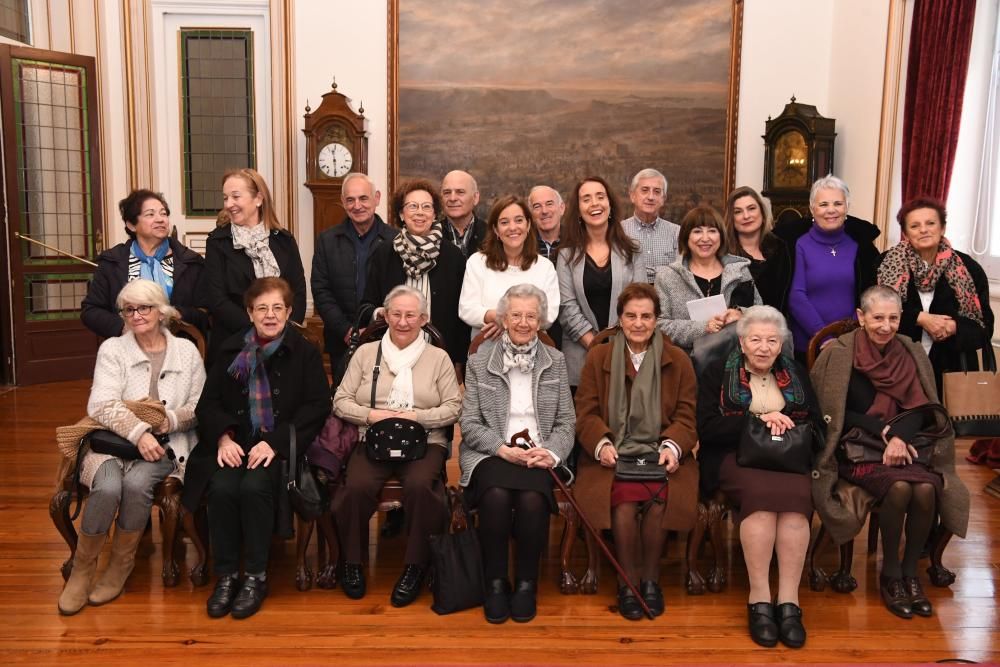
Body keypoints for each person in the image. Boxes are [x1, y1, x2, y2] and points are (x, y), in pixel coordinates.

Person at [811, 286, 969, 620]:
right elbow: (831, 412)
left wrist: (898, 437)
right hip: (856, 448)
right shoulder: (838, 354)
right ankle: (891, 575)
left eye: (893, 318)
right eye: (877, 317)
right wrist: (880, 430)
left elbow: (925, 407)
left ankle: (911, 574)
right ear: (861, 317)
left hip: (908, 442)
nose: (885, 326)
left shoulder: (910, 351)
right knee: (898, 489)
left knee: (926, 489)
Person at [183, 277, 330, 619]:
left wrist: (275, 443)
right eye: (262, 308)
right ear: (249, 313)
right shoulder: (231, 349)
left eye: (278, 307)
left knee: (254, 487)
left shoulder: (304, 351)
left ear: (289, 311)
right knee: (220, 488)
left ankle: (255, 577)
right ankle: (227, 575)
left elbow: (316, 406)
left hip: (280, 444)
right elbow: (209, 405)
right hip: (234, 441)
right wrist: (222, 437)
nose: (270, 315)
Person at [59, 280, 205, 615]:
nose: (137, 315)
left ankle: (119, 566)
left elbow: (200, 406)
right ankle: (83, 570)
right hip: (113, 443)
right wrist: (139, 432)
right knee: (108, 486)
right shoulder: (113, 348)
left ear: (161, 310)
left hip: (167, 445)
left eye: (144, 308)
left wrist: (170, 420)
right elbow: (101, 405)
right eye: (130, 309)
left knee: (137, 484)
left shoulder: (187, 351)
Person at [696, 306, 821, 648]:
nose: (764, 347)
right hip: (734, 457)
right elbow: (705, 428)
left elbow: (813, 420)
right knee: (762, 504)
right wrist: (759, 421)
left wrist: (788, 419)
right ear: (742, 341)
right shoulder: (716, 372)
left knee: (796, 504)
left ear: (781, 344)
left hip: (787, 459)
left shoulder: (795, 372)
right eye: (756, 339)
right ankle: (760, 599)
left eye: (771, 340)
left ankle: (790, 602)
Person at [574, 283, 698, 620]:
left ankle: (651, 582)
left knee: (660, 499)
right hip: (611, 452)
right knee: (624, 500)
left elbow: (687, 416)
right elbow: (585, 413)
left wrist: (673, 446)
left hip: (662, 453)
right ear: (620, 319)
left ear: (657, 319)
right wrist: (600, 443)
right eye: (631, 316)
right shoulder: (599, 356)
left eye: (646, 316)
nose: (639, 323)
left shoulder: (679, 360)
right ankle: (627, 583)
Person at [333, 286, 462, 607]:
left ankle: (415, 566)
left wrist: (415, 416)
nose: (403, 322)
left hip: (426, 441)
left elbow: (454, 408)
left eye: (411, 315)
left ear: (423, 318)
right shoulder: (365, 354)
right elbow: (340, 401)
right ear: (385, 315)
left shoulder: (438, 358)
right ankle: (351, 563)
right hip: (372, 438)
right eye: (397, 314)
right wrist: (372, 415)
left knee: (421, 487)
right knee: (355, 487)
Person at [459, 284, 575, 624]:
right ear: (504, 319)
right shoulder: (480, 362)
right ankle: (495, 583)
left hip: (537, 452)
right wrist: (500, 448)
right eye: (516, 315)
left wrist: (551, 453)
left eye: (530, 316)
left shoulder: (556, 360)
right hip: (492, 452)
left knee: (531, 500)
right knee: (494, 496)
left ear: (540, 321)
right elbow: (468, 423)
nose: (523, 323)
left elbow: (567, 421)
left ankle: (526, 584)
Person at [878, 196, 995, 390]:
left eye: (930, 223)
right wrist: (919, 318)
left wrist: (954, 327)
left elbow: (985, 328)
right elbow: (873, 316)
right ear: (905, 233)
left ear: (942, 228)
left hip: (952, 372)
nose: (923, 230)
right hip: (896, 368)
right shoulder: (884, 265)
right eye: (915, 226)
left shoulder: (969, 268)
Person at [200, 168, 307, 363]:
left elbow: (298, 292)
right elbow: (217, 299)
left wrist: (283, 330)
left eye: (235, 197)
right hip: (235, 343)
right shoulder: (217, 242)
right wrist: (259, 330)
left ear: (258, 199)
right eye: (225, 198)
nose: (229, 204)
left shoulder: (284, 240)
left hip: (284, 342)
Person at [363, 179, 469, 365]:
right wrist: (379, 312)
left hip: (439, 356)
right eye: (412, 206)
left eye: (426, 207)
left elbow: (460, 318)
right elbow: (366, 303)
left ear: (434, 214)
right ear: (401, 214)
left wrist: (458, 361)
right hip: (391, 355)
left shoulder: (453, 256)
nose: (420, 212)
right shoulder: (384, 253)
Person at [774, 175, 880, 357]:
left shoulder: (860, 246)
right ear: (812, 209)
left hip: (852, 342)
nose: (831, 210)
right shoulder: (798, 245)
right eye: (823, 205)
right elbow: (796, 297)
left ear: (847, 207)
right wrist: (824, 336)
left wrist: (847, 334)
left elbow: (868, 295)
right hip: (808, 346)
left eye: (838, 204)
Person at [82, 189, 206, 338]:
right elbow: (91, 310)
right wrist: (124, 328)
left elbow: (205, 312)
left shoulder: (190, 262)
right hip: (126, 349)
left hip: (177, 348)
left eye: (163, 213)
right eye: (150, 214)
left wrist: (178, 314)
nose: (160, 219)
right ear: (131, 225)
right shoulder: (112, 263)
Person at [311, 173, 398, 382]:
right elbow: (321, 290)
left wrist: (373, 329)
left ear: (376, 198)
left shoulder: (396, 240)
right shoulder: (327, 240)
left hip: (387, 338)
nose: (357, 205)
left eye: (363, 198)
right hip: (341, 341)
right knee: (343, 400)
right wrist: (346, 330)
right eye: (350, 200)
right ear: (343, 202)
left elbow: (400, 292)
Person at [556, 176, 636, 387]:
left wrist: (617, 345)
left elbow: (640, 301)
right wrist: (596, 345)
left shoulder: (632, 251)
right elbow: (566, 307)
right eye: (586, 199)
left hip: (627, 353)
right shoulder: (566, 255)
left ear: (610, 204)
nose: (594, 204)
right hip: (580, 357)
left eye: (600, 196)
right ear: (579, 210)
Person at [654, 205, 761, 351]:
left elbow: (761, 313)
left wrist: (740, 314)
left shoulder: (740, 272)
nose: (705, 238)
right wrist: (703, 327)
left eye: (712, 231)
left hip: (735, 361)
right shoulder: (667, 276)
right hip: (685, 363)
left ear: (721, 236)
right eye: (697, 231)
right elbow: (659, 325)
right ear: (686, 237)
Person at [458, 195, 559, 340]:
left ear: (528, 225)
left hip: (534, 352)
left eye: (519, 220)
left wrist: (507, 320)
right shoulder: (477, 262)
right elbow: (466, 309)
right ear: (496, 230)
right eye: (504, 222)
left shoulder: (544, 267)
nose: (512, 228)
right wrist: (497, 317)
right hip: (486, 348)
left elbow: (549, 315)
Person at [723, 186, 792, 312]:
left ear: (762, 212)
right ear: (731, 219)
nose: (746, 216)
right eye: (738, 211)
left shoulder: (780, 248)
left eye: (751, 208)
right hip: (737, 328)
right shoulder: (723, 253)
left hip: (778, 327)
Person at [621, 168, 679, 284]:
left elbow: (680, 274)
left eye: (657, 192)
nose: (651, 197)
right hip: (629, 298)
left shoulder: (677, 233)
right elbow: (619, 274)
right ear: (632, 196)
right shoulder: (619, 231)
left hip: (667, 299)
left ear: (663, 199)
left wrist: (638, 271)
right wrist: (664, 270)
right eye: (645, 190)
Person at [441, 170, 487, 257]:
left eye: (460, 192)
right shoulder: (430, 235)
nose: (452, 198)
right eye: (447, 192)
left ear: (475, 197)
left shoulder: (492, 235)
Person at [529, 185, 564, 260]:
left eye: (549, 204)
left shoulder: (577, 241)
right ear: (531, 214)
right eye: (537, 206)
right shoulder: (524, 245)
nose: (544, 211)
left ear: (561, 208)